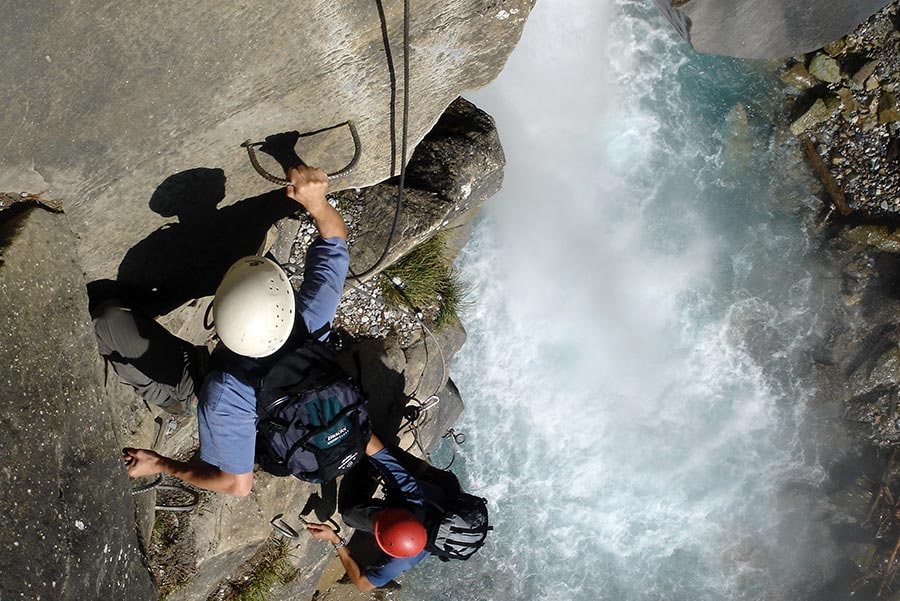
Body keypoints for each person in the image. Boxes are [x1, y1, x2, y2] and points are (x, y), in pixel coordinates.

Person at [93, 164, 349, 496]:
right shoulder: (310, 321)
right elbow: (335, 244)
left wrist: (160, 464)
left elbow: (237, 484)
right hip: (256, 395)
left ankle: (172, 400)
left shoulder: (225, 396)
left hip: (217, 392)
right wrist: (317, 202)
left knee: (106, 321)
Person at [305, 435, 433, 591]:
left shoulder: (401, 561)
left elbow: (363, 584)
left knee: (351, 514)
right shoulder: (410, 492)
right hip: (429, 492)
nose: (374, 517)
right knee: (349, 513)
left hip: (420, 506)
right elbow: (371, 443)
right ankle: (369, 467)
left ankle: (370, 469)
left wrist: (335, 539)